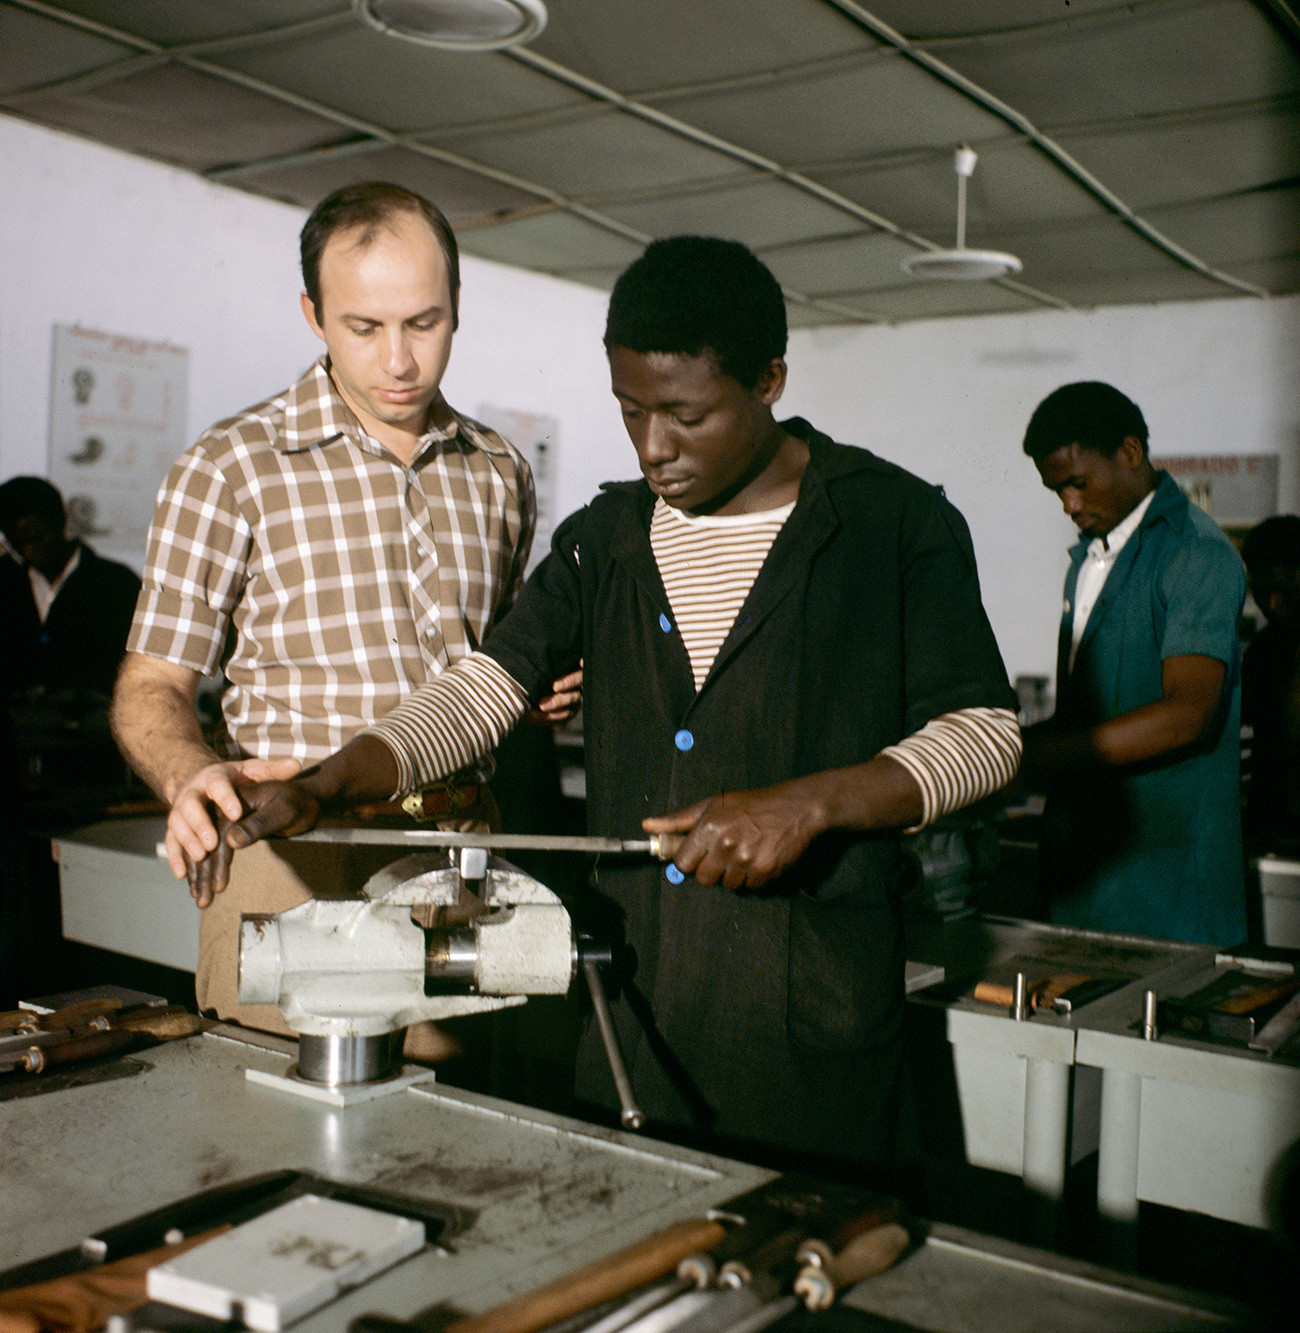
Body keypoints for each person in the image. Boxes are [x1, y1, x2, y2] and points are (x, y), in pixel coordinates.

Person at [181, 236, 1021, 1175]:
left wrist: (809, 803)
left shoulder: (891, 524)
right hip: (635, 1017)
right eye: (631, 411)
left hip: (807, 1026)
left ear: (771, 378)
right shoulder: (606, 540)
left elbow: (984, 734)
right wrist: (326, 782)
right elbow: (478, 694)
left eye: (685, 415)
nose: (654, 448)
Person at [111, 181, 577, 1037]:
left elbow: (500, 668)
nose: (399, 360)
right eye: (365, 327)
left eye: (423, 323)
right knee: (270, 1133)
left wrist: (543, 694)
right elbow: (151, 686)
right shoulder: (231, 468)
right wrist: (190, 777)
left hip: (460, 854)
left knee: (462, 1149)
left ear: (458, 307)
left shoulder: (500, 469)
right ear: (314, 315)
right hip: (292, 857)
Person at [1020, 381, 1247, 944]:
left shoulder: (1195, 552)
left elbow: (1187, 714)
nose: (1070, 506)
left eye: (1077, 483)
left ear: (1128, 452)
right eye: (1056, 492)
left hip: (1166, 888)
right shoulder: (1088, 563)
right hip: (1089, 873)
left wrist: (1036, 756)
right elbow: (1084, 716)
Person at [0, 475, 140, 700]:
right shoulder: (6, 581)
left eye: (36, 539)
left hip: (92, 728)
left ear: (60, 521)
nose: (28, 552)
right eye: (17, 545)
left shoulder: (116, 584)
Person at [1240, 514, 1300, 855]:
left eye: (1282, 592)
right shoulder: (1264, 650)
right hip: (1272, 830)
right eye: (1262, 593)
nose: (1271, 606)